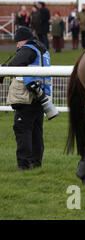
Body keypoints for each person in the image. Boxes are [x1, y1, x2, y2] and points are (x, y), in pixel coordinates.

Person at [1, 27, 51, 171]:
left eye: (17, 42)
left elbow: (14, 66)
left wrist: (4, 69)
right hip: (40, 95)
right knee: (36, 132)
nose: (17, 45)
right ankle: (36, 163)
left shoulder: (28, 49)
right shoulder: (43, 50)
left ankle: (24, 165)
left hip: (27, 96)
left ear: (23, 40)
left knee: (23, 130)